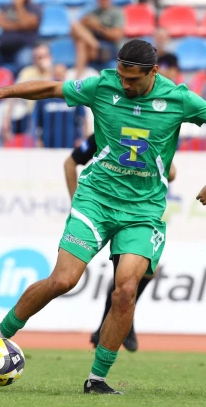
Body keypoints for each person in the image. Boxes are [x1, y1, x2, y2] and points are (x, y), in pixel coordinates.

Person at [0, 39, 206, 395]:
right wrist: (1, 93)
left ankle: (97, 379)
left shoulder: (179, 99)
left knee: (125, 290)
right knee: (63, 280)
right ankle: (0, 332)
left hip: (143, 211)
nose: (124, 84)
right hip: (95, 199)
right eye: (122, 76)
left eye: (132, 79)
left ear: (154, 72)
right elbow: (51, 89)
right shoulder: (103, 86)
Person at [64, 133, 177, 352]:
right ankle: (115, 328)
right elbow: (70, 163)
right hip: (103, 207)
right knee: (125, 279)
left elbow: (171, 173)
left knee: (142, 274)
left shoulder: (154, 130)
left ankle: (112, 327)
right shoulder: (109, 128)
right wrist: (76, 204)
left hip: (137, 209)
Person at [71, 0, 124, 78]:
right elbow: (74, 33)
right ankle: (94, 45)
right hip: (94, 47)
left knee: (82, 43)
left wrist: (98, 28)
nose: (101, 0)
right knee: (76, 27)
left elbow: (117, 36)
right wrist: (84, 22)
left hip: (109, 48)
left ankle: (77, 78)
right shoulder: (93, 12)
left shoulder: (116, 12)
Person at [32, 64, 86, 148]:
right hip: (48, 143)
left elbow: (82, 118)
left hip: (70, 143)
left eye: (60, 73)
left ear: (65, 74)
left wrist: (81, 138)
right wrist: (38, 139)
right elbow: (37, 120)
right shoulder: (43, 95)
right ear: (52, 74)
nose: (58, 76)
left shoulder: (74, 95)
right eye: (56, 73)